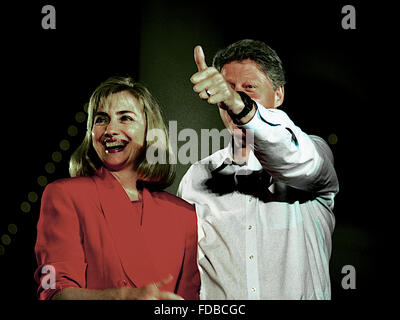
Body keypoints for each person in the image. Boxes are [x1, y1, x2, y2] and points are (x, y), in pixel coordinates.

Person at [177, 39, 339, 299]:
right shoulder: (197, 177)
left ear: (279, 94)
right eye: (226, 89)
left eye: (249, 88)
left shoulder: (314, 154)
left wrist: (241, 105)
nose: (232, 100)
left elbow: (289, 154)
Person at [34, 76, 200, 300]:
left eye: (125, 118)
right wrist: (122, 297)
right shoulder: (64, 195)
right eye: (101, 119)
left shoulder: (184, 214)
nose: (110, 129)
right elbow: (54, 292)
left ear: (150, 131)